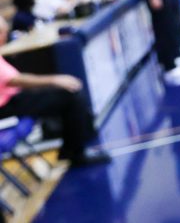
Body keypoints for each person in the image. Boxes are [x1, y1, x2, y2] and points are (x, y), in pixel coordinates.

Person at [0, 17, 110, 167]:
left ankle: (69, 150)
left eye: (5, 32)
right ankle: (76, 154)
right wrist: (54, 80)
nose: (4, 37)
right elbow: (14, 79)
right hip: (6, 109)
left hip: (13, 99)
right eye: (1, 33)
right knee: (70, 96)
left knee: (67, 93)